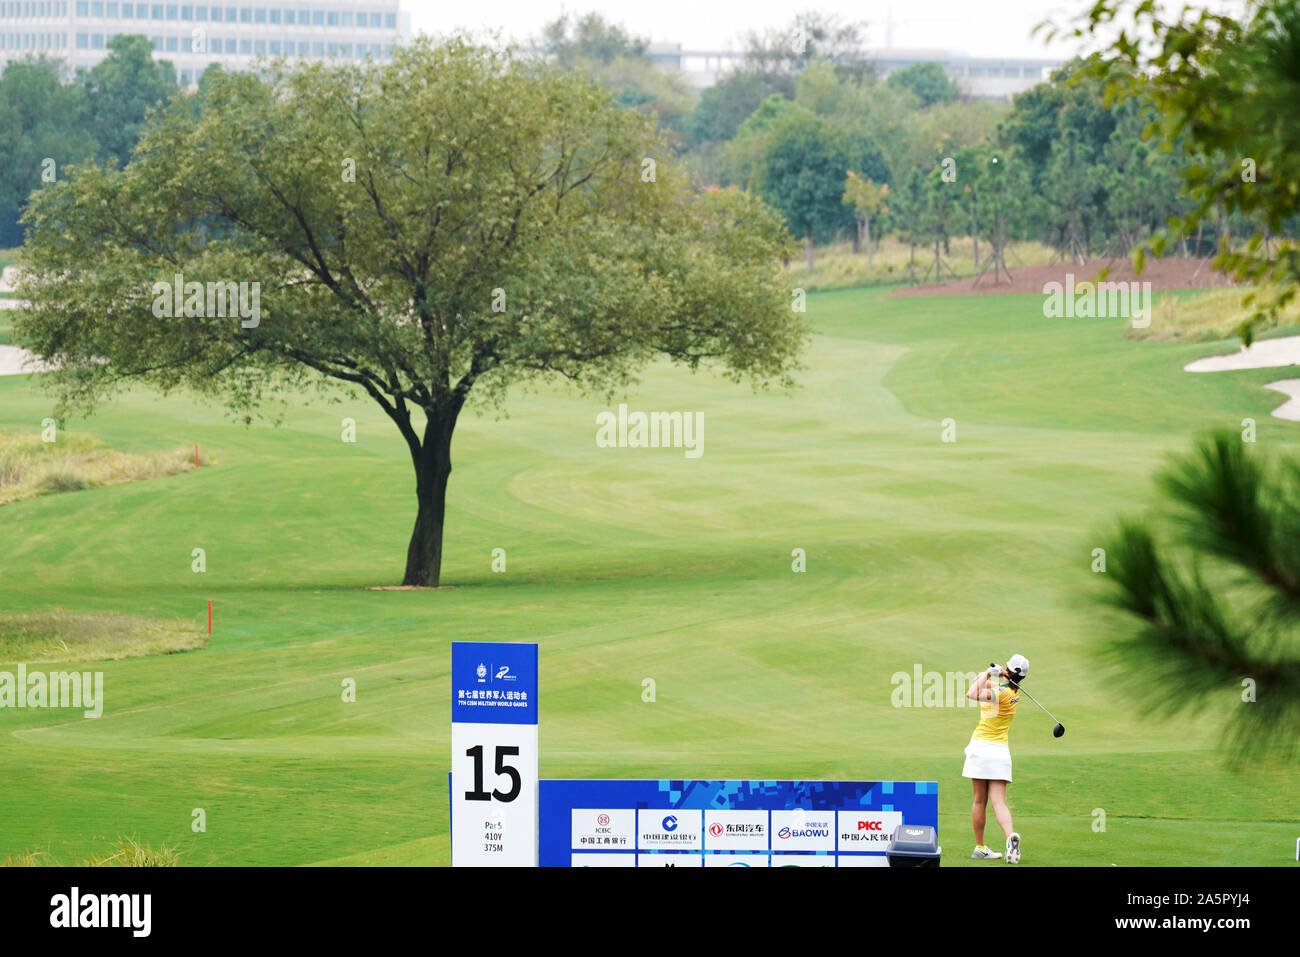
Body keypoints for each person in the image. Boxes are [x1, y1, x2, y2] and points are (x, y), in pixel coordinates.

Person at [962, 654, 1029, 863]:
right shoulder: (1012, 694)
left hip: (981, 749)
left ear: (1008, 669)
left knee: (979, 800)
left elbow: (971, 692)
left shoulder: (997, 694)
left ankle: (980, 847)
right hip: (1000, 752)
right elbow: (980, 682)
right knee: (998, 802)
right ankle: (1010, 837)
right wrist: (995, 674)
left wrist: (989, 673)